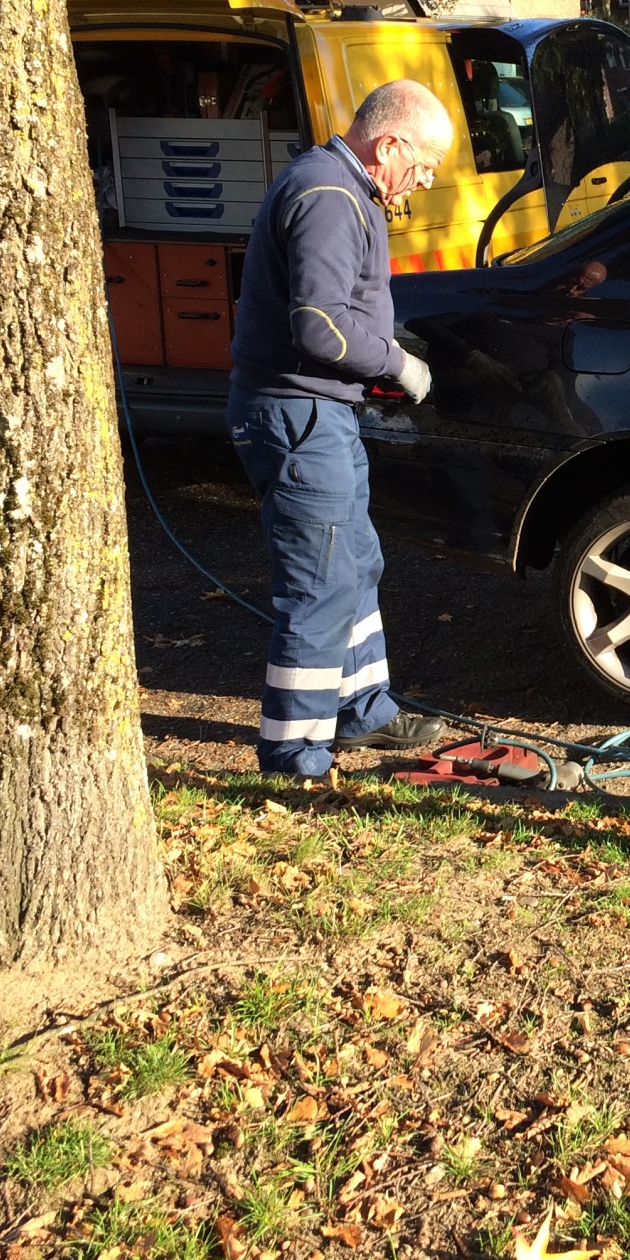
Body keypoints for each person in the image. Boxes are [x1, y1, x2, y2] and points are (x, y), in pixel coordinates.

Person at [226, 80, 455, 778]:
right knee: (319, 586)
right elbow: (319, 325)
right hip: (298, 418)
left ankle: (362, 711)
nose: (423, 181)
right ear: (389, 144)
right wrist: (396, 362)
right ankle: (294, 756)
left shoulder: (345, 188)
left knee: (355, 563)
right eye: (423, 165)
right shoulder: (327, 194)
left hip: (325, 414)